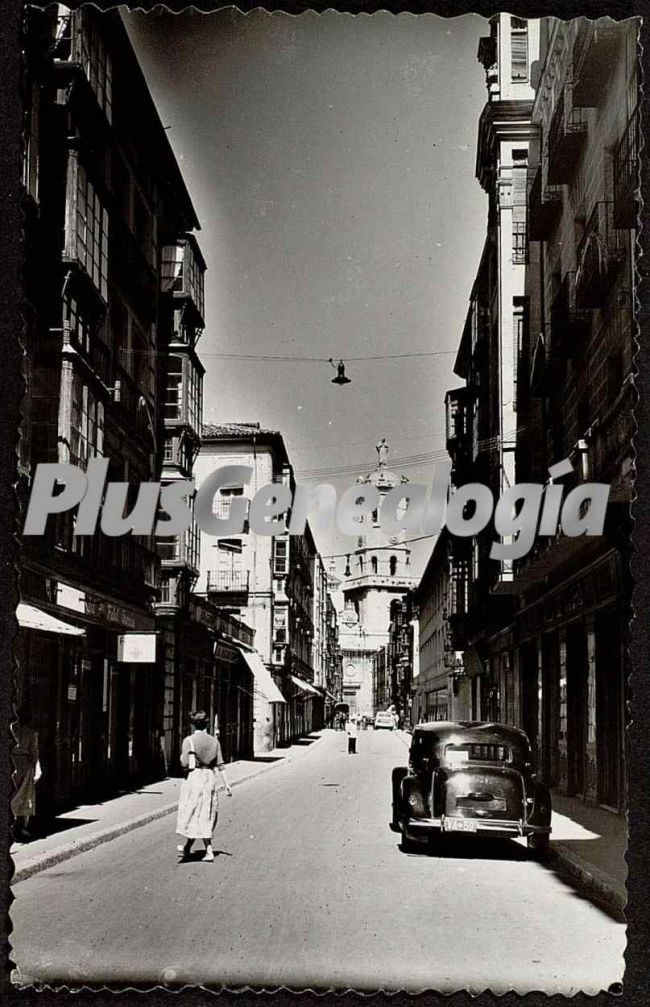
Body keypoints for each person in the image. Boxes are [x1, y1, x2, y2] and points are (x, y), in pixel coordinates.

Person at [176, 711, 232, 862]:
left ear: (193, 724)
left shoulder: (189, 741)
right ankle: (188, 847)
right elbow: (220, 764)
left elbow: (185, 763)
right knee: (205, 813)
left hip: (194, 778)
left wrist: (184, 761)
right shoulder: (214, 741)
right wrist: (227, 784)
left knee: (193, 812)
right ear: (207, 724)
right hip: (209, 778)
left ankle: (209, 851)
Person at [11, 705, 41, 842]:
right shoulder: (31, 733)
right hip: (25, 766)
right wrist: (34, 768)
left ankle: (10, 826)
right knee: (24, 798)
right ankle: (20, 827)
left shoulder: (11, 730)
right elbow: (34, 754)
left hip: (11, 763)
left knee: (10, 796)